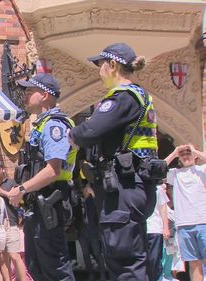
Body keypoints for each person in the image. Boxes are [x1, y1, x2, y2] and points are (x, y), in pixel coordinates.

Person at [68, 43, 158, 280]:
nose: (99, 72)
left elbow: (90, 130)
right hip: (134, 186)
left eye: (101, 66)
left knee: (125, 262)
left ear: (113, 65)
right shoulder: (140, 95)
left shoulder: (122, 98)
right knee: (131, 258)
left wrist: (72, 134)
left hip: (123, 191)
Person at [8, 73, 78, 281]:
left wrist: (21, 189)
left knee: (55, 267)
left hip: (50, 201)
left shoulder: (54, 126)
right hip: (39, 204)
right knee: (37, 267)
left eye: (30, 91)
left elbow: (52, 170)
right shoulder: (41, 124)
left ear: (45, 95)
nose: (26, 96)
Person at [164, 144, 206, 281]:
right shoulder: (175, 174)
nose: (186, 156)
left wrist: (195, 151)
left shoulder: (202, 169)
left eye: (188, 153)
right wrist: (174, 153)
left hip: (203, 221)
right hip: (184, 224)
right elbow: (159, 168)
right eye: (183, 154)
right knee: (193, 262)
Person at [0, 159, 27, 281]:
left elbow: (17, 201)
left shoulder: (12, 183)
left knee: (14, 255)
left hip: (11, 223)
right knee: (3, 258)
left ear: (3, 170)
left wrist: (2, 192)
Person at [146, 183, 170, 281]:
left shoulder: (158, 189)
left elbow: (163, 208)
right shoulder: (136, 187)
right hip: (139, 229)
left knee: (154, 260)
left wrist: (166, 227)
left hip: (155, 228)